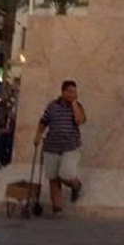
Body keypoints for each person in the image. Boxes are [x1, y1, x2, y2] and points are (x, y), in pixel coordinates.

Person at [34, 80, 86, 217]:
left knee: (66, 175)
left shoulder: (78, 106)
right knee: (53, 178)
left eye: (75, 92)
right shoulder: (52, 106)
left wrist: (74, 104)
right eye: (70, 91)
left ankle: (76, 185)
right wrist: (37, 136)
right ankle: (57, 209)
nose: (73, 94)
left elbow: (79, 121)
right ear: (63, 92)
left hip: (70, 147)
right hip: (51, 147)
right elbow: (43, 122)